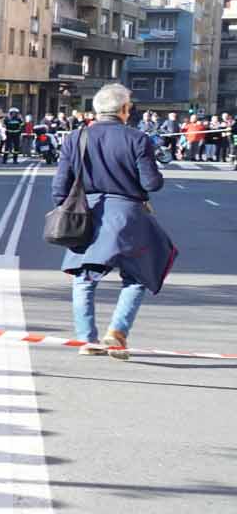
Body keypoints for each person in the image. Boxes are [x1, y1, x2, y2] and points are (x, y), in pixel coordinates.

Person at [55, 83, 174, 360]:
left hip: (88, 213)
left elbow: (61, 185)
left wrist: (66, 211)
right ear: (123, 109)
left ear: (97, 110)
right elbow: (151, 184)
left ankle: (87, 339)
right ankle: (117, 333)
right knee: (136, 276)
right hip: (128, 216)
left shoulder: (76, 137)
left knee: (84, 278)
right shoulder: (137, 138)